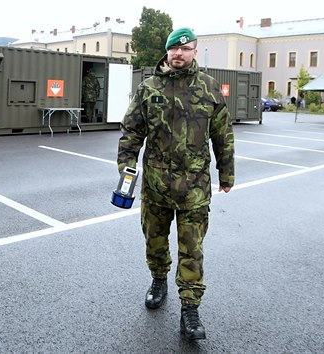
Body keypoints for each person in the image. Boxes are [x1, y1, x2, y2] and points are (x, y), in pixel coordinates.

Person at [116, 27, 235, 341]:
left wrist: (227, 173)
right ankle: (158, 280)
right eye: (174, 49)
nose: (179, 54)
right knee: (154, 244)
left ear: (195, 51)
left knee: (192, 251)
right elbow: (131, 133)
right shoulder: (148, 88)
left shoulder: (209, 88)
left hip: (195, 190)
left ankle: (190, 308)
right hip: (155, 187)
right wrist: (126, 168)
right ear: (167, 52)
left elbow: (223, 135)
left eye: (185, 49)